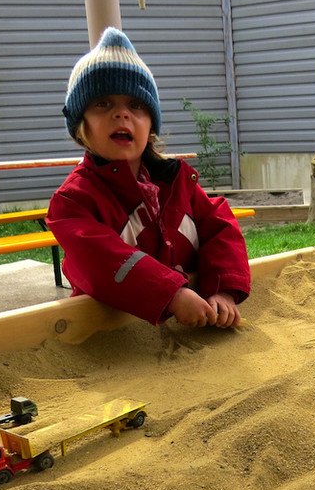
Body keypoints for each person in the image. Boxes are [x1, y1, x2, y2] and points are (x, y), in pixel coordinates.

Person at [47, 27, 250, 328]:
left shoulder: (176, 183)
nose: (121, 114)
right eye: (103, 103)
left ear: (151, 124)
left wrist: (223, 289)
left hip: (188, 326)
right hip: (112, 332)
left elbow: (220, 227)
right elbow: (100, 261)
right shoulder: (72, 202)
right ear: (80, 124)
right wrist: (171, 293)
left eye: (136, 105)